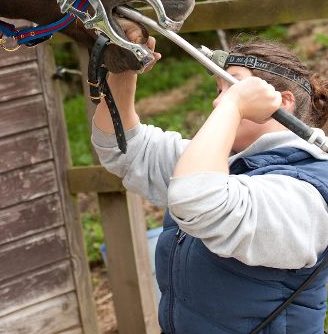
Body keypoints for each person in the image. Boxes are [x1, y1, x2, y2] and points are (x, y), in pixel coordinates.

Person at [91, 32, 328, 334]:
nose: (218, 101)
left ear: (282, 102)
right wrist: (123, 66)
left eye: (231, 89)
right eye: (218, 90)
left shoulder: (307, 192)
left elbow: (198, 198)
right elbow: (123, 148)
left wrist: (234, 106)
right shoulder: (221, 162)